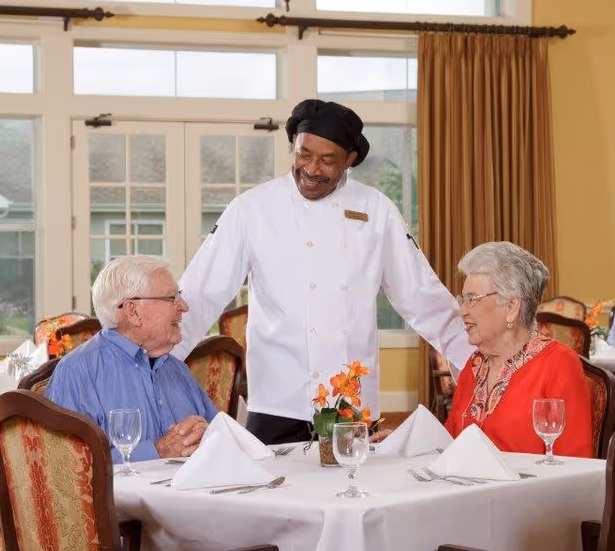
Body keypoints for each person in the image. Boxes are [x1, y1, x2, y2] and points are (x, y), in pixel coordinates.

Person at [174, 99, 473, 444]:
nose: (312, 169)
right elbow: (201, 292)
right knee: (271, 496)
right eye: (304, 154)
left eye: (327, 160)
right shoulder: (251, 209)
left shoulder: (376, 209)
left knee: (354, 495)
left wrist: (478, 359)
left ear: (349, 160)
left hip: (350, 404)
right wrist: (155, 360)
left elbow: (421, 296)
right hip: (276, 401)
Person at [44, 255, 216, 462]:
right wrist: (157, 451)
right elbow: (66, 468)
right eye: (172, 298)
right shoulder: (77, 372)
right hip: (121, 496)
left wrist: (208, 438)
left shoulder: (176, 369)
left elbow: (219, 437)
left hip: (191, 493)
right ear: (133, 311)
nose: (184, 306)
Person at [444, 242, 593, 458]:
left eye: (471, 300)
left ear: (511, 307)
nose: (462, 311)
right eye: (462, 300)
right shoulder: (475, 365)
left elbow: (575, 466)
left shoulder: (558, 365)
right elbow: (449, 441)